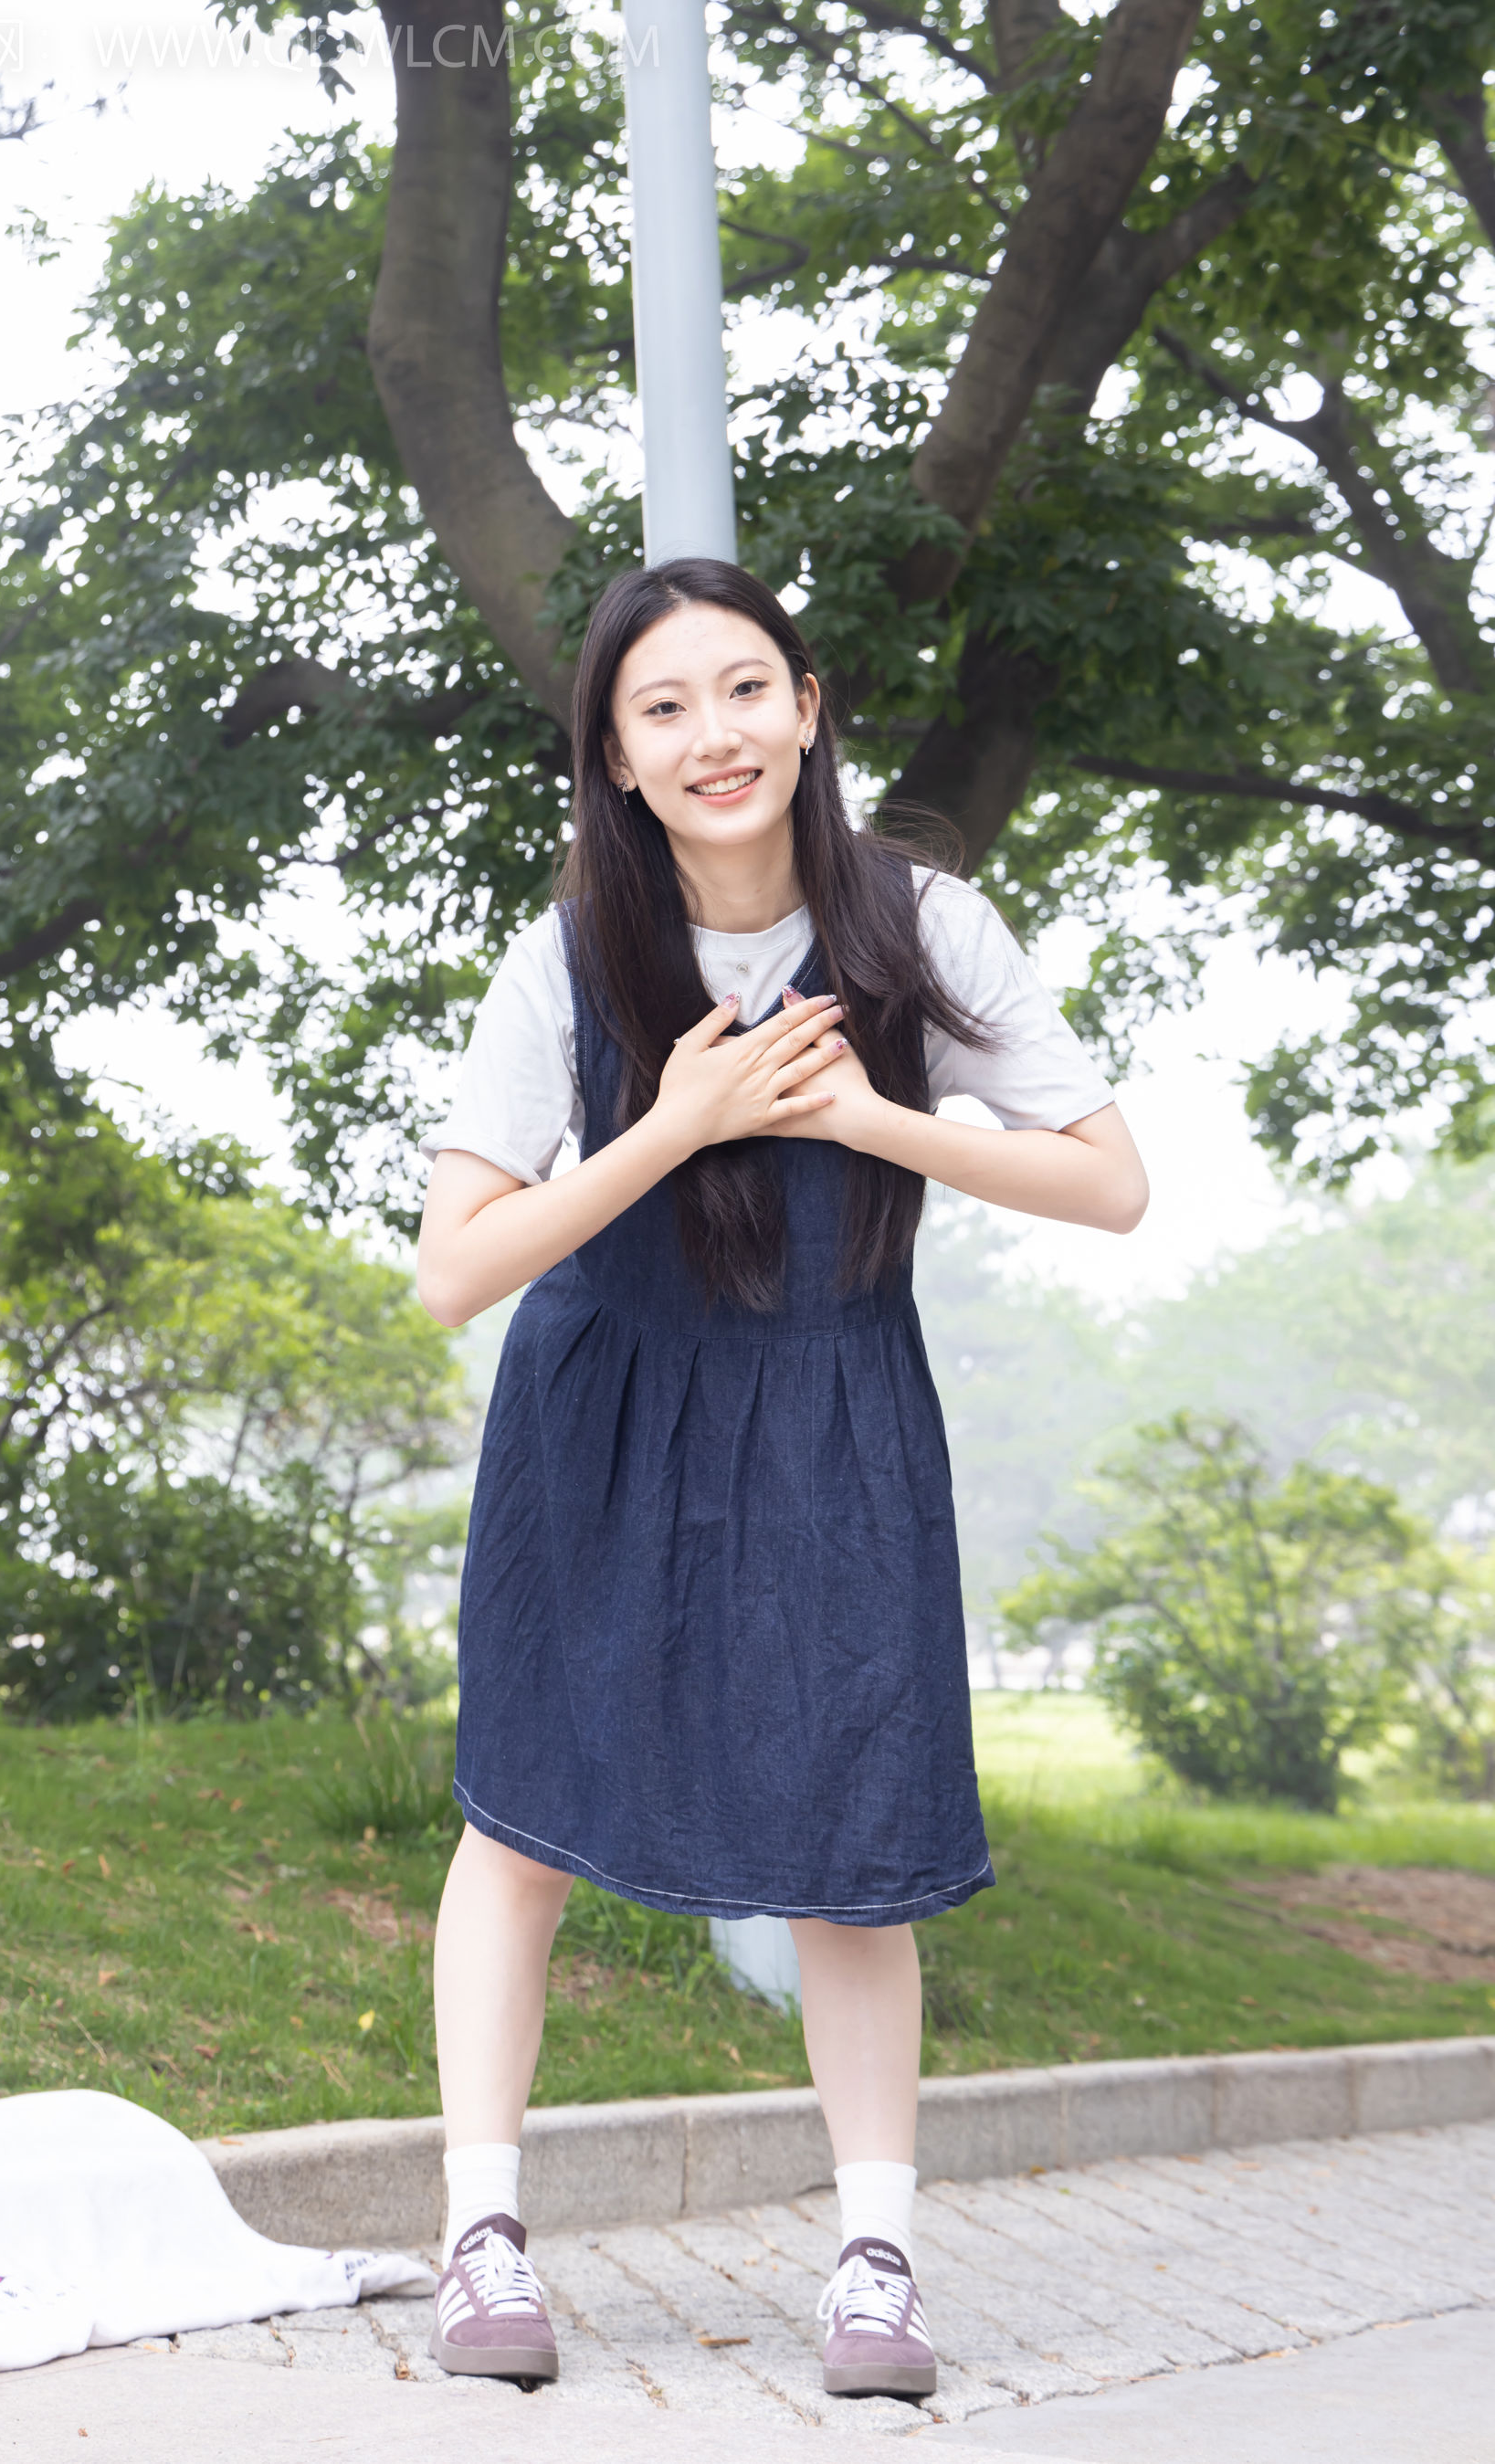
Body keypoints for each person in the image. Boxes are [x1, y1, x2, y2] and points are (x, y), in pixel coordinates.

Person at [415, 559, 1148, 2397]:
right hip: (602, 1407)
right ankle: (482, 2233)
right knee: (523, 1819)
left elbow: (1110, 1179)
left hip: (835, 1407)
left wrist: (875, 1117)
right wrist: (676, 1125)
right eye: (662, 707)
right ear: (616, 754)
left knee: (852, 1840)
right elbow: (454, 1269)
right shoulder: (568, 953)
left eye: (745, 689)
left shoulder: (921, 923)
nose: (713, 734)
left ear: (809, 708)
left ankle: (875, 2263)